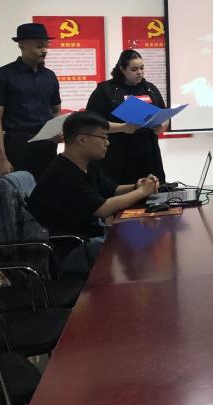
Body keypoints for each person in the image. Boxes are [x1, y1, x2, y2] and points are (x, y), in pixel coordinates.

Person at [27, 111, 158, 265]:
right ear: (82, 140)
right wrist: (142, 192)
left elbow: (113, 190)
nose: (107, 143)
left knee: (143, 238)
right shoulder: (63, 173)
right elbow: (102, 209)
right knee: (138, 246)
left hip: (88, 237)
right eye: (103, 137)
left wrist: (138, 185)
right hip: (68, 249)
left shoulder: (86, 165)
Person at [85, 50, 168, 184]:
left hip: (149, 154)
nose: (139, 72)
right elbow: (92, 123)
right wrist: (122, 127)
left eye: (142, 68)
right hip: (117, 154)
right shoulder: (106, 90)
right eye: (134, 69)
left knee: (153, 189)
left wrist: (161, 126)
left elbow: (164, 115)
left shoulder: (150, 88)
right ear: (122, 69)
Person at [0, 23, 61, 180]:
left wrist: (57, 131)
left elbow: (56, 110)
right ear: (21, 45)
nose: (44, 50)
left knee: (48, 189)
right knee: (20, 191)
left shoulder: (49, 76)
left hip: (48, 145)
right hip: (18, 145)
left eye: (46, 46)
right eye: (39, 46)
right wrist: (2, 159)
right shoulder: (2, 75)